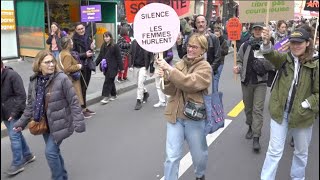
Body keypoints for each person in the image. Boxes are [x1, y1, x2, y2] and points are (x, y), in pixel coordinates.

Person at [13, 50, 86, 180]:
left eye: (53, 61)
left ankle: (57, 178)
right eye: (47, 62)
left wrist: (79, 122)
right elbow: (31, 106)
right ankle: (63, 176)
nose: (51, 65)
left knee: (50, 152)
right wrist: (21, 123)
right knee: (55, 151)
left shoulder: (62, 79)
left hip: (60, 123)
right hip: (44, 124)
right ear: (39, 64)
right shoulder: (34, 81)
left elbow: (73, 102)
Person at [260, 28, 319, 180]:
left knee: (301, 152)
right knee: (274, 151)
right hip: (280, 113)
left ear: (307, 43)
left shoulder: (315, 64)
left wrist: (307, 104)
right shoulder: (284, 58)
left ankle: (298, 178)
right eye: (293, 42)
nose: (295, 46)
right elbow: (270, 54)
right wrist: (266, 43)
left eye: (299, 43)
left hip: (303, 116)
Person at [157, 33, 212, 180]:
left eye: (195, 47)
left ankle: (200, 175)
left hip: (194, 117)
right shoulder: (179, 64)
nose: (190, 49)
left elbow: (190, 83)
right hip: (175, 117)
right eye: (189, 45)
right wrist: (164, 77)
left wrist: (171, 71)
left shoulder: (205, 67)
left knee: (199, 155)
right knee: (172, 156)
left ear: (203, 50)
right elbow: (168, 91)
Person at [233, 22, 274, 152]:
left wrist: (263, 64)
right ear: (252, 31)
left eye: (260, 29)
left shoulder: (267, 46)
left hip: (261, 82)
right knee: (249, 108)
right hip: (246, 81)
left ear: (263, 31)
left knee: (258, 109)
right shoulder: (245, 45)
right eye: (255, 29)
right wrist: (238, 67)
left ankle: (256, 137)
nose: (257, 31)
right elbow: (239, 59)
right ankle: (250, 126)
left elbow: (273, 61)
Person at [1, 59, 36, 176]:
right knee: (17, 135)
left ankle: (17, 163)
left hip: (14, 113)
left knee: (14, 137)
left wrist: (14, 113)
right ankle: (28, 155)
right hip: (4, 113)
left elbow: (22, 96)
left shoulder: (12, 75)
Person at [176, 15, 220, 90]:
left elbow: (218, 57)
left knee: (209, 97)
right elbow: (182, 55)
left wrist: (209, 70)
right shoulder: (191, 37)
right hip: (193, 72)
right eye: (198, 22)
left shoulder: (213, 38)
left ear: (206, 23)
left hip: (208, 74)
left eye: (203, 22)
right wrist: (179, 44)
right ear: (195, 24)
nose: (201, 24)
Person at [72, 22, 96, 118]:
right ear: (76, 30)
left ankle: (85, 107)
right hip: (80, 67)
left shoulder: (87, 37)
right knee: (81, 89)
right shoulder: (74, 40)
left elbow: (90, 51)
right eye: (79, 29)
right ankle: (82, 109)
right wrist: (85, 55)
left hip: (88, 65)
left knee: (85, 88)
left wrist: (92, 48)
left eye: (82, 28)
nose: (81, 30)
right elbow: (73, 54)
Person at [59, 36, 86, 117]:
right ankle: (74, 116)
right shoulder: (67, 55)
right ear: (67, 44)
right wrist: (78, 66)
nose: (72, 43)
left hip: (66, 78)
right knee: (74, 98)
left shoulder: (62, 53)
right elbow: (67, 68)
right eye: (71, 42)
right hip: (71, 80)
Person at [95, 31, 124, 104]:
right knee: (110, 80)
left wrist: (122, 68)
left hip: (113, 67)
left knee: (107, 81)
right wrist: (94, 64)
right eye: (104, 37)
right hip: (106, 67)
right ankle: (114, 95)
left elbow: (119, 57)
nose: (105, 38)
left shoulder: (115, 46)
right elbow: (100, 56)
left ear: (110, 37)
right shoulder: (103, 45)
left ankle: (105, 97)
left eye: (107, 37)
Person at [129, 39, 153, 110]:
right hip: (136, 66)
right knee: (138, 83)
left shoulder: (147, 42)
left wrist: (151, 69)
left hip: (143, 67)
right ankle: (145, 93)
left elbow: (151, 57)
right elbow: (130, 53)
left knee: (140, 83)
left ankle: (139, 100)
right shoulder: (134, 42)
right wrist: (130, 65)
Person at [213, 27, 229, 92]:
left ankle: (215, 93)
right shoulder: (211, 40)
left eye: (217, 35)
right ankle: (213, 91)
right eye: (215, 35)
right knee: (211, 79)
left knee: (216, 78)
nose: (216, 36)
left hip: (220, 62)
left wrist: (219, 49)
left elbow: (226, 52)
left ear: (220, 34)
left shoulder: (223, 42)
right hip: (212, 62)